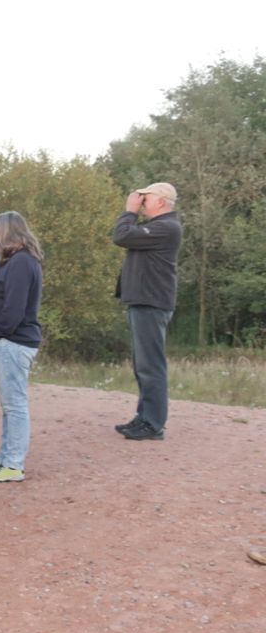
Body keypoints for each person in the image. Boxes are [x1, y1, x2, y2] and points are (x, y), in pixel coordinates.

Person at [0, 212, 44, 483]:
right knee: (9, 404)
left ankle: (13, 464)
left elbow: (13, 308)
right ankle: (4, 458)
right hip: (9, 341)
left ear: (5, 232)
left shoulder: (22, 263)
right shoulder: (13, 261)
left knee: (14, 405)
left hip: (13, 341)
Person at [112, 182, 183, 441]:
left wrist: (129, 211)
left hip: (151, 303)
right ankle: (144, 417)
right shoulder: (158, 227)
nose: (141, 201)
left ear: (161, 202)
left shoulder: (166, 227)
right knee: (143, 364)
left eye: (146, 197)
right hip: (144, 301)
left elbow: (121, 236)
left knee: (151, 365)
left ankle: (153, 424)